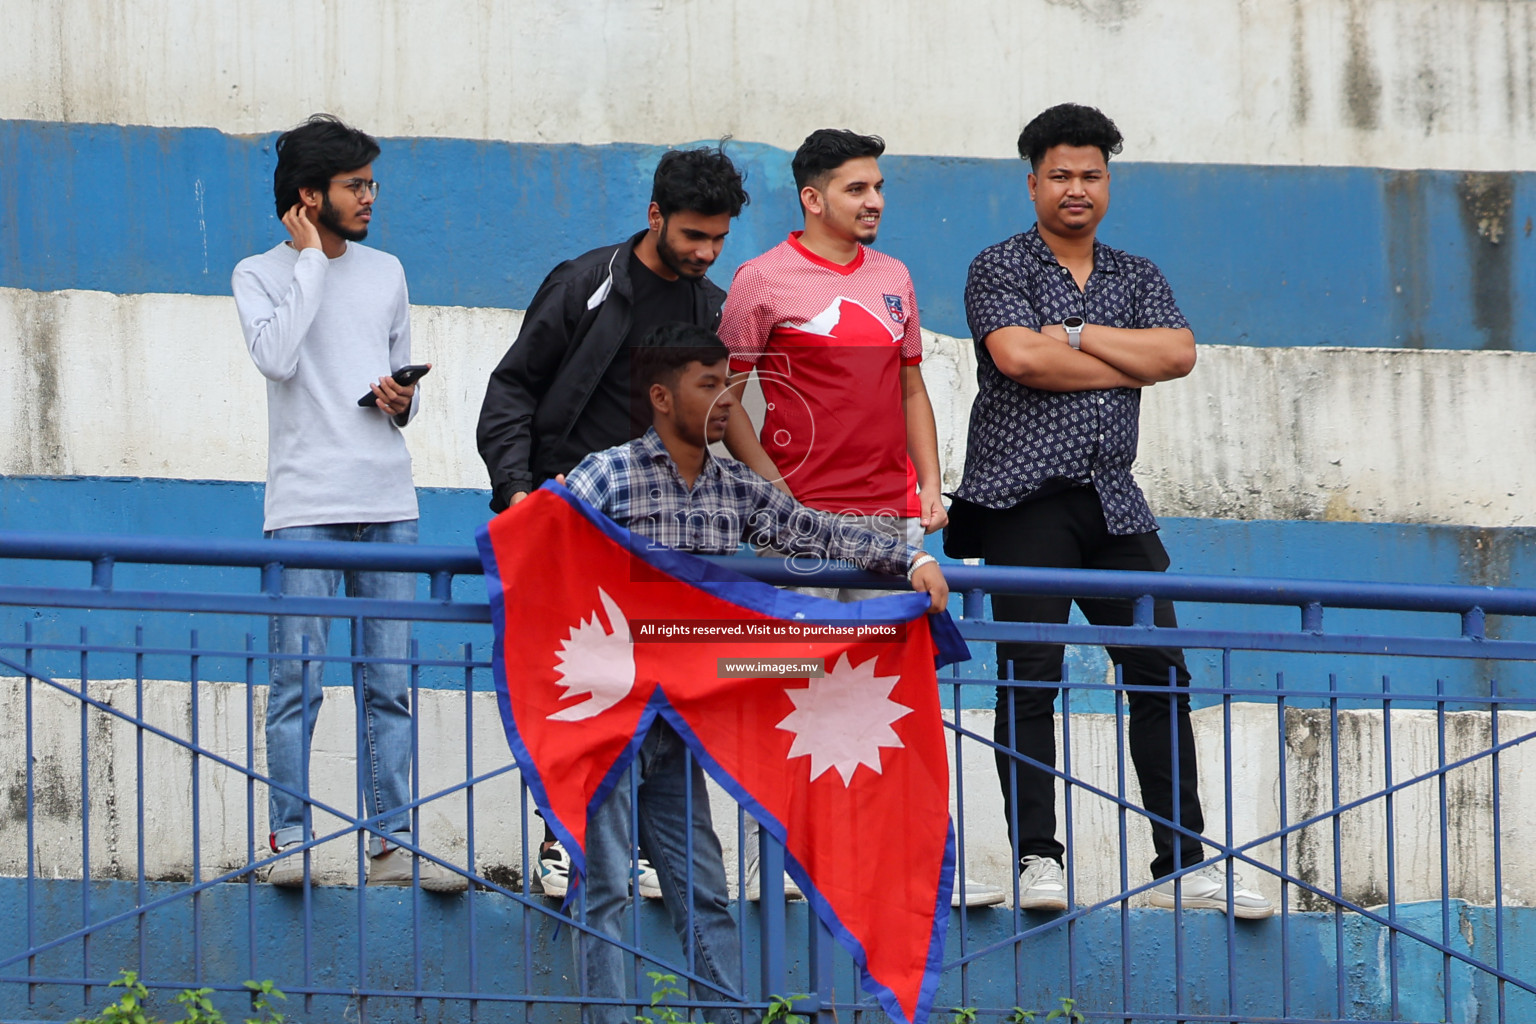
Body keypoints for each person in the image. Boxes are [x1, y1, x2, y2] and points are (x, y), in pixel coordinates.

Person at [560, 321, 948, 1024]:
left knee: (703, 893)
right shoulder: (606, 475)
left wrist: (910, 558)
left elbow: (819, 532)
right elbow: (544, 554)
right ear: (660, 396)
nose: (724, 402)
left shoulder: (732, 486)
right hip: (607, 719)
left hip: (680, 722)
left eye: (727, 385)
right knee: (605, 888)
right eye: (707, 385)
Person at [949, 103, 1272, 918]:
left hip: (1115, 506)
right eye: (1060, 174)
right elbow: (1020, 357)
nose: (1076, 188)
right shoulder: (1001, 265)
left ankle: (1183, 862)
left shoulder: (1135, 274)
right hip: (1022, 500)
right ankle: (1037, 858)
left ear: (1108, 182)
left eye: (1091, 174)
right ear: (1032, 184)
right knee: (1031, 677)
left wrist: (1081, 335)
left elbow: (1179, 353)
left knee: (1160, 674)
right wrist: (1126, 365)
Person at [717, 129, 1000, 907]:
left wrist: (932, 486)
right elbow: (724, 398)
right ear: (813, 198)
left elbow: (911, 388)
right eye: (856, 190)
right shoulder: (761, 280)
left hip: (886, 528)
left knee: (892, 705)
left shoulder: (895, 278)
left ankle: (911, 867)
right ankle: (779, 871)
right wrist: (775, 494)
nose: (874, 202)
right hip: (796, 535)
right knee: (790, 701)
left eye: (878, 188)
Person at [476, 145, 750, 898]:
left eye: (719, 239)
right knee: (577, 688)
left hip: (662, 536)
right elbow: (512, 392)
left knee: (658, 693)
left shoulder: (712, 307)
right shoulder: (586, 284)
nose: (706, 253)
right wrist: (520, 495)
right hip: (571, 523)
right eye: (694, 235)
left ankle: (651, 852)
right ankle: (564, 838)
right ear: (655, 215)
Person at [231, 114, 463, 891]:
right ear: (308, 195)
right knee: (297, 679)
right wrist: (308, 263)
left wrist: (400, 400)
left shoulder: (387, 270)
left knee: (389, 679)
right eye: (354, 186)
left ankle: (391, 840)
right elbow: (278, 356)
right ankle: (290, 834)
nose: (369, 198)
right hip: (304, 504)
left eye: (371, 184)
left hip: (387, 496)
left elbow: (398, 380)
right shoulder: (259, 274)